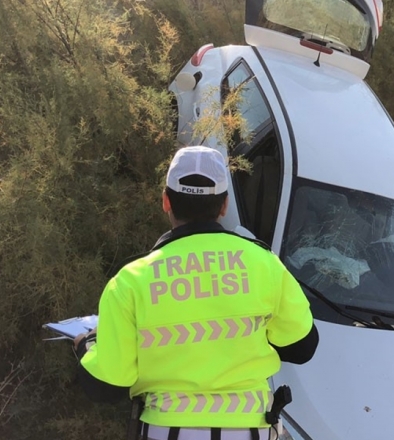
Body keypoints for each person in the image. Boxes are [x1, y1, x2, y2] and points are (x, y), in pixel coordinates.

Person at [73, 146, 319, 440]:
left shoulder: (130, 280)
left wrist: (87, 345)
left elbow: (106, 386)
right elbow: (302, 347)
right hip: (250, 430)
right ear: (224, 205)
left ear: (166, 201)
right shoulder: (264, 264)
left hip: (163, 432)